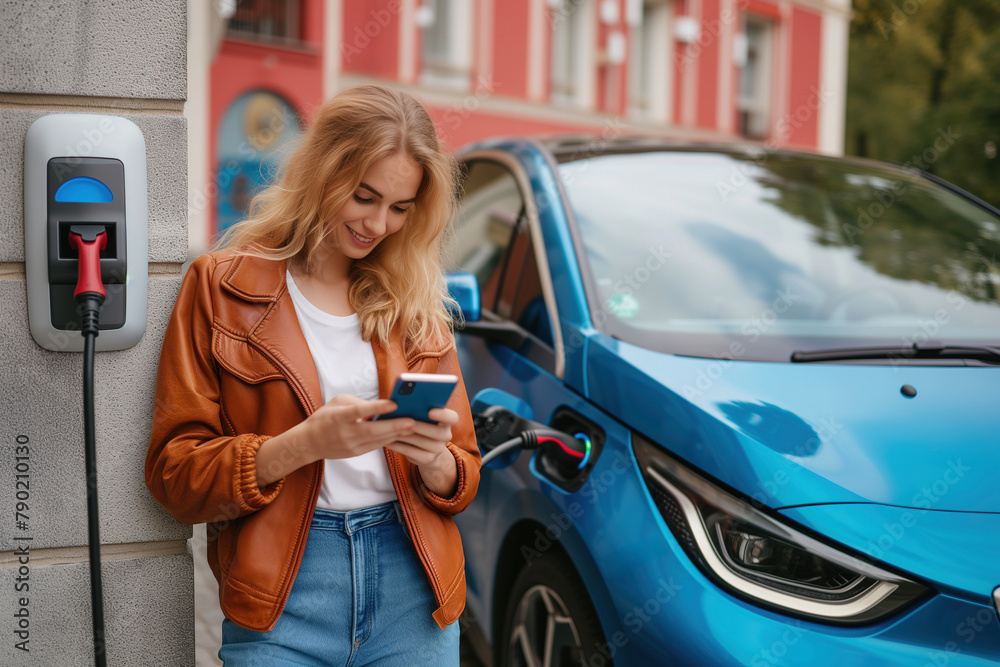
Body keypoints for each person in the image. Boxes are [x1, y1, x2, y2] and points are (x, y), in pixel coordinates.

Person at [145, 85, 481, 666]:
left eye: (401, 208)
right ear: (325, 171)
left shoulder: (416, 304)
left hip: (414, 592)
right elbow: (175, 476)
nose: (379, 224)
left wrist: (434, 460)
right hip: (282, 591)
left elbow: (465, 474)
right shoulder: (221, 287)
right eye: (364, 196)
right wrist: (303, 445)